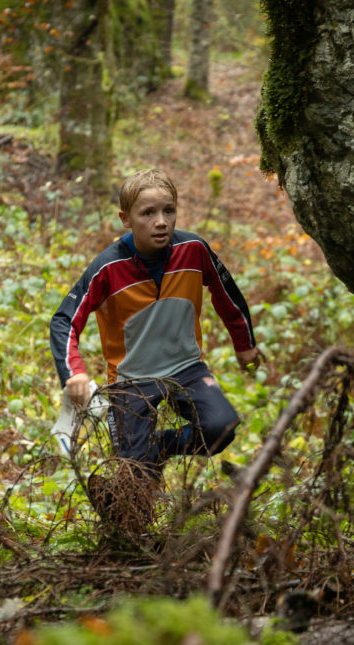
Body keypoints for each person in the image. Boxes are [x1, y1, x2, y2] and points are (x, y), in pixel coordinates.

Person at [50, 169, 260, 496]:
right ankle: (132, 519)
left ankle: (158, 448)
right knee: (135, 479)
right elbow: (65, 320)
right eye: (148, 213)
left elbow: (226, 291)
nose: (161, 221)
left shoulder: (194, 249)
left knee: (222, 427)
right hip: (130, 380)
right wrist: (73, 372)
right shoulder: (107, 267)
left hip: (186, 369)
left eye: (168, 211)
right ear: (126, 219)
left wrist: (244, 344)